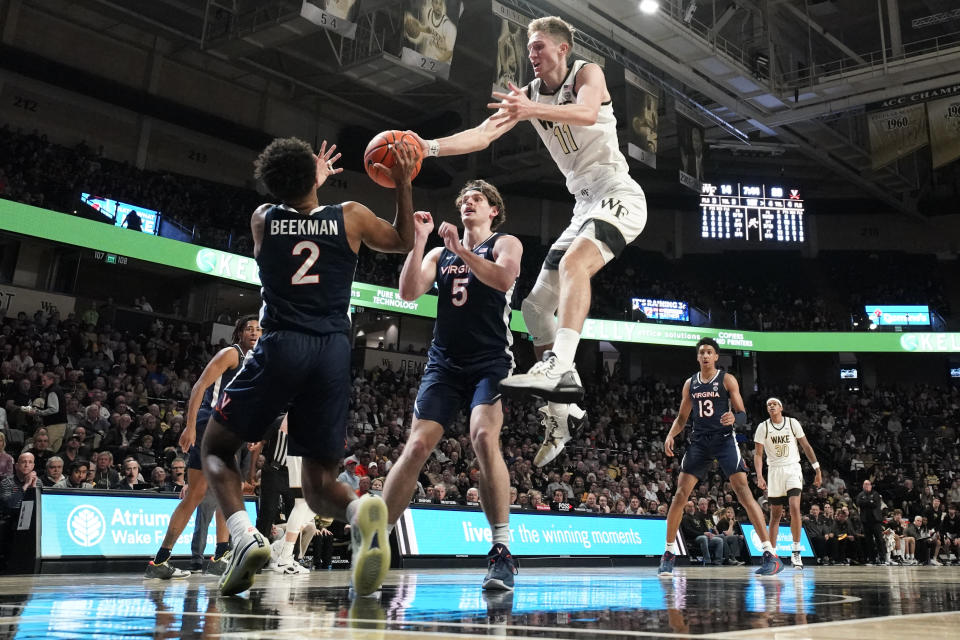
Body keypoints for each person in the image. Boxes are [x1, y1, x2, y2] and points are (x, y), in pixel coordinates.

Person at [406, 16, 648, 465]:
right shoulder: (530, 96)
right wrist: (429, 146)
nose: (531, 55)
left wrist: (530, 111)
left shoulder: (586, 73)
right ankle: (563, 411)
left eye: (538, 47)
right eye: (529, 48)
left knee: (575, 265)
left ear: (562, 48)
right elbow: (482, 134)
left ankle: (561, 365)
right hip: (583, 204)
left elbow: (588, 113)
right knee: (535, 308)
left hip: (619, 194)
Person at [200, 136, 417, 597]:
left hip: (281, 343)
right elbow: (402, 239)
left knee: (216, 448)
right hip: (334, 351)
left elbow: (293, 212)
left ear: (274, 186)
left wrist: (306, 183)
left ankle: (243, 538)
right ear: (313, 179)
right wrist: (401, 182)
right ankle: (362, 514)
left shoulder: (263, 219)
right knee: (318, 485)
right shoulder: (352, 215)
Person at [382, 179, 522, 591]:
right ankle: (374, 543)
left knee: (482, 436)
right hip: (444, 363)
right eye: (463, 200)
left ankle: (501, 551)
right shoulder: (442, 254)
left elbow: (503, 280)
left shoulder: (505, 242)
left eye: (477, 199)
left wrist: (462, 251)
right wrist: (420, 242)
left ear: (493, 209)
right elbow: (408, 292)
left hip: (490, 361)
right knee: (417, 446)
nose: (468, 204)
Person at [144, 315, 261, 580]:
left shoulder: (255, 362)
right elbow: (199, 387)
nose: (254, 333)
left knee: (199, 495)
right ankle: (220, 555)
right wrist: (190, 426)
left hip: (229, 427)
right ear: (240, 332)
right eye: (249, 329)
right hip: (213, 423)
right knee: (226, 489)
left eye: (258, 329)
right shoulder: (231, 354)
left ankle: (162, 560)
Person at [658, 337, 783, 576]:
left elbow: (743, 414)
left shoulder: (726, 379)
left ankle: (770, 554)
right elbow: (683, 418)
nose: (705, 355)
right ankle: (669, 553)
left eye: (709, 352)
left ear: (716, 357)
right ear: (697, 357)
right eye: (702, 352)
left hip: (725, 441)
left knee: (744, 493)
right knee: (680, 495)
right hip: (699, 442)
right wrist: (670, 435)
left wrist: (735, 418)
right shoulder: (690, 384)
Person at [753, 397, 822, 569]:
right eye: (768, 405)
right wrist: (759, 476)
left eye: (774, 404)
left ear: (781, 407)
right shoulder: (763, 427)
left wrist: (817, 469)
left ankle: (796, 552)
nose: (771, 406)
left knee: (794, 507)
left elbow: (806, 446)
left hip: (792, 469)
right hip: (775, 471)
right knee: (775, 514)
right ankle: (772, 554)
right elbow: (758, 454)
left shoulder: (792, 423)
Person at [855, 479, 885, 564]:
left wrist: (865, 503)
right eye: (865, 484)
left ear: (871, 486)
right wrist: (869, 502)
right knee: (869, 541)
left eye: (868, 484)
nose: (866, 486)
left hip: (876, 521)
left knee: (879, 540)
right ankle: (872, 559)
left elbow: (875, 504)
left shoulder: (875, 494)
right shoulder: (860, 494)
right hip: (865, 521)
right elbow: (858, 503)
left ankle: (882, 558)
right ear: (863, 486)